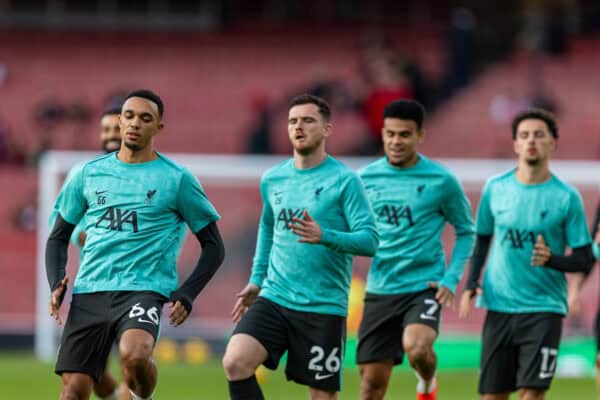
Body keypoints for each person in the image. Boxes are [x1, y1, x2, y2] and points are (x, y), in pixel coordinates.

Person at [46, 89, 225, 400]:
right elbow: (58, 235)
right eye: (129, 116)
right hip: (90, 290)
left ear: (158, 128)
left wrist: (188, 292)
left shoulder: (177, 179)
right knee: (73, 391)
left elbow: (213, 246)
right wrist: (55, 283)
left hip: (144, 288)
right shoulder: (88, 174)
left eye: (145, 118)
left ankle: (142, 396)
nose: (134, 123)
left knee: (135, 356)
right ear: (120, 120)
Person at [222, 94, 379, 400]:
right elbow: (268, 226)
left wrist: (326, 236)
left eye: (308, 120)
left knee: (321, 396)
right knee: (235, 362)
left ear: (326, 129)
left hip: (322, 306)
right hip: (275, 297)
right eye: (293, 121)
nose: (299, 126)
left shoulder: (345, 181)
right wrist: (257, 279)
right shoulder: (273, 178)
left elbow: (370, 240)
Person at [459, 109, 595, 400]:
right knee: (492, 396)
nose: (531, 140)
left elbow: (584, 259)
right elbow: (482, 238)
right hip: (499, 306)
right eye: (524, 135)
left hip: (544, 309)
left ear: (552, 143)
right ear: (515, 144)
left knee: (532, 395)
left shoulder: (566, 197)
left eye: (538, 135)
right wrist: (472, 282)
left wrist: (552, 260)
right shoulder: (495, 188)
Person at [356, 99, 475, 400]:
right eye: (390, 134)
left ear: (420, 135)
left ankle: (427, 382)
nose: (396, 141)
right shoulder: (364, 179)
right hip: (380, 287)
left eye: (405, 135)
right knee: (371, 386)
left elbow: (466, 231)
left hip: (424, 286)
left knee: (417, 347)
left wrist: (451, 279)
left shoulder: (441, 181)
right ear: (382, 134)